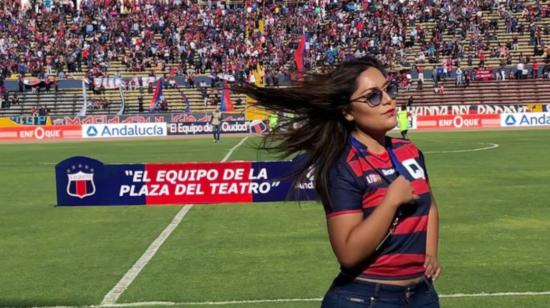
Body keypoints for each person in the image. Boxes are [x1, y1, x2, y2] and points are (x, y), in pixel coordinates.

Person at [234, 55, 441, 307]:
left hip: (422, 297)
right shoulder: (342, 165)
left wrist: (430, 252)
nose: (388, 100)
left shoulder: (409, 151)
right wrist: (391, 201)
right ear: (348, 112)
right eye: (373, 96)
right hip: (365, 298)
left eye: (389, 89)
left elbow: (429, 205)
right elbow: (348, 253)